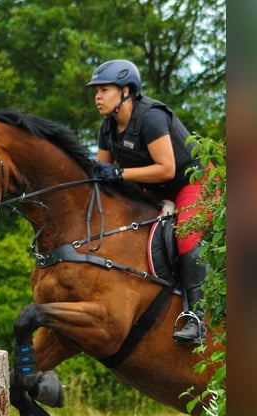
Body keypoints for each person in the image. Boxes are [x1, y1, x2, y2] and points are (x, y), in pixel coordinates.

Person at [86, 59, 208, 345]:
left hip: (191, 182)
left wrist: (119, 173)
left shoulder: (150, 117)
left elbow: (166, 168)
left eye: (104, 90)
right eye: (96, 91)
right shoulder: (108, 127)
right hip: (152, 191)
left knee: (187, 236)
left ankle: (196, 318)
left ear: (126, 91)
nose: (97, 97)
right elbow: (102, 174)